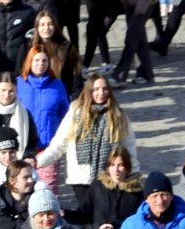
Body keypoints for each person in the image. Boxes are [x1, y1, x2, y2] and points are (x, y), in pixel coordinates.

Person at [35, 74, 136, 205]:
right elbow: (61, 140)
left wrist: (133, 172)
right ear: (89, 91)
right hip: (81, 177)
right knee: (88, 217)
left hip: (109, 175)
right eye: (96, 89)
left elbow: (128, 145)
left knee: (104, 216)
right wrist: (43, 160)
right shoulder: (76, 112)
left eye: (105, 89)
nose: (101, 93)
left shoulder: (117, 114)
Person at [17, 45, 70, 191]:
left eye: (44, 61)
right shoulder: (19, 84)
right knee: (23, 187)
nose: (40, 64)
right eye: (36, 60)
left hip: (48, 147)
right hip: (24, 146)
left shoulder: (57, 84)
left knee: (47, 188)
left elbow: (65, 114)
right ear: (29, 62)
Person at [114, 0, 157, 85]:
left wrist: (141, 8)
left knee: (131, 39)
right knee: (139, 40)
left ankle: (119, 75)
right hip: (130, 3)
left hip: (144, 4)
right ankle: (146, 74)